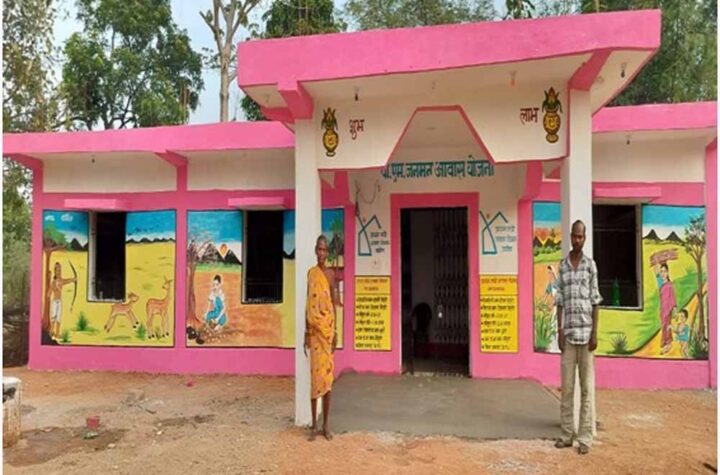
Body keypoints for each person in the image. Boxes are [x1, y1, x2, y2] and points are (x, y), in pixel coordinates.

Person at [554, 220, 602, 455]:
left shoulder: (590, 266)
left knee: (586, 389)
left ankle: (584, 437)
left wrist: (595, 334)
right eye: (574, 236)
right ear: (570, 236)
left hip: (586, 336)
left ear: (585, 238)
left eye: (581, 237)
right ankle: (566, 434)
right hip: (569, 336)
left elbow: (595, 301)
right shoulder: (563, 267)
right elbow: (559, 301)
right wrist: (559, 330)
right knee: (567, 388)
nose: (577, 240)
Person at [304, 235, 339, 441]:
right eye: (319, 249)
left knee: (327, 380)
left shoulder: (331, 275)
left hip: (327, 333)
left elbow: (333, 304)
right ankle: (314, 425)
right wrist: (305, 333)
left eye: (325, 250)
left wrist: (335, 332)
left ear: (328, 252)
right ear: (315, 250)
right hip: (315, 334)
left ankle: (326, 425)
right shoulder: (311, 274)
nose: (321, 253)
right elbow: (308, 304)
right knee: (315, 380)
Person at [48, 262, 77, 340]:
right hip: (55, 301)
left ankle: (57, 333)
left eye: (60, 270)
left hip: (59, 302)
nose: (59, 272)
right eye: (57, 270)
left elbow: (66, 281)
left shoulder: (61, 280)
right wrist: (49, 293)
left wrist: (73, 279)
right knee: (53, 317)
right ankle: (51, 331)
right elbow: (50, 291)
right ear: (55, 271)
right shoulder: (54, 282)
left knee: (58, 318)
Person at [654, 263, 677, 354]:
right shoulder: (661, 283)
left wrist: (674, 309)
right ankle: (665, 343)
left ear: (667, 272)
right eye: (661, 272)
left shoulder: (670, 285)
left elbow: (673, 297)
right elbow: (656, 272)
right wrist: (656, 263)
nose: (663, 273)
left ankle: (668, 343)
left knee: (667, 326)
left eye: (664, 271)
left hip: (668, 309)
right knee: (663, 326)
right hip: (662, 309)